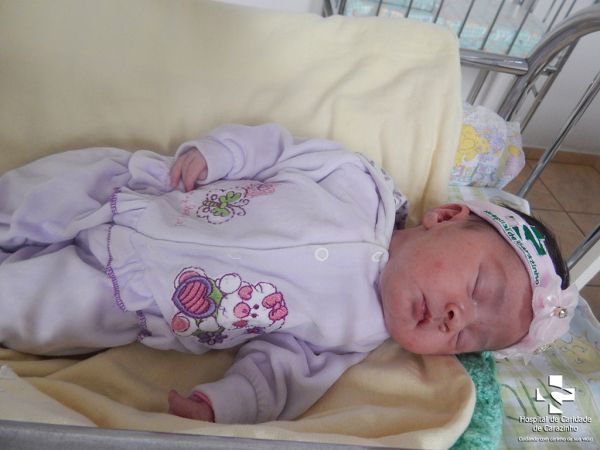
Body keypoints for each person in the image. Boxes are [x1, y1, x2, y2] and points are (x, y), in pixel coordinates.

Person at [0, 123, 578, 424]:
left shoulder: (354, 333)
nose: (455, 318)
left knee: (23, 306)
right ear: (446, 217)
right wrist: (221, 154)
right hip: (140, 192)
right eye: (476, 289)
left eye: (468, 337)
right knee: (27, 196)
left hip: (126, 299)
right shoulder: (361, 183)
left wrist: (225, 402)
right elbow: (278, 150)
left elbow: (281, 376)